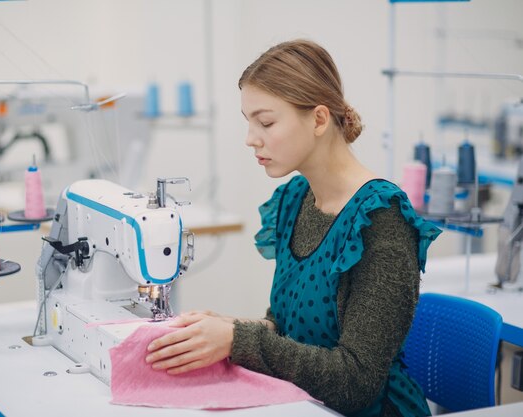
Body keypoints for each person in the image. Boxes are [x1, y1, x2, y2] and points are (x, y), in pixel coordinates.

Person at [145, 39, 441, 417]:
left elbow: (356, 382)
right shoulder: (296, 199)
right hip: (305, 405)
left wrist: (237, 339)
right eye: (248, 122)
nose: (251, 139)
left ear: (318, 119)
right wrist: (223, 327)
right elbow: (284, 327)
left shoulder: (380, 221)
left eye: (265, 122)